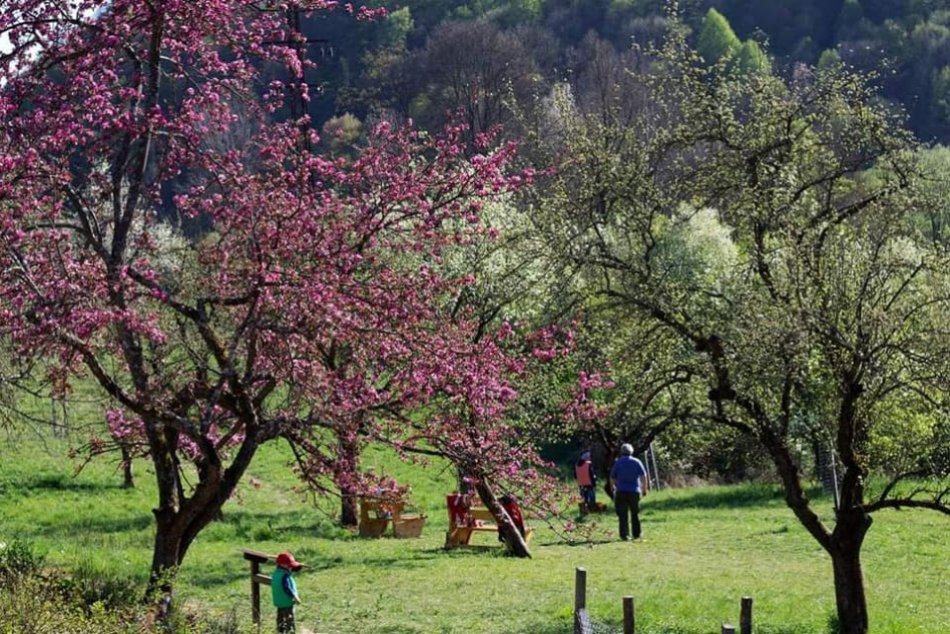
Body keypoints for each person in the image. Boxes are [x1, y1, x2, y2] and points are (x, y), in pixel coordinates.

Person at [609, 443, 649, 541]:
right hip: (634, 491)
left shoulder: (618, 463)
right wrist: (644, 489)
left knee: (622, 514)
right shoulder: (636, 462)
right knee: (635, 513)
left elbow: (612, 477)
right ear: (631, 451)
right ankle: (637, 534)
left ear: (622, 452)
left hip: (621, 491)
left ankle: (624, 535)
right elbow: (643, 476)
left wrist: (613, 488)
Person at [272, 551, 303, 633]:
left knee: (280, 619)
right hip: (287, 602)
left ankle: (280, 631)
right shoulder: (284, 575)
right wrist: (295, 597)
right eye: (289, 565)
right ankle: (290, 632)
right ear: (283, 565)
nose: (290, 567)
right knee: (289, 620)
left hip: (279, 602)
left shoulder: (275, 573)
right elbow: (287, 588)